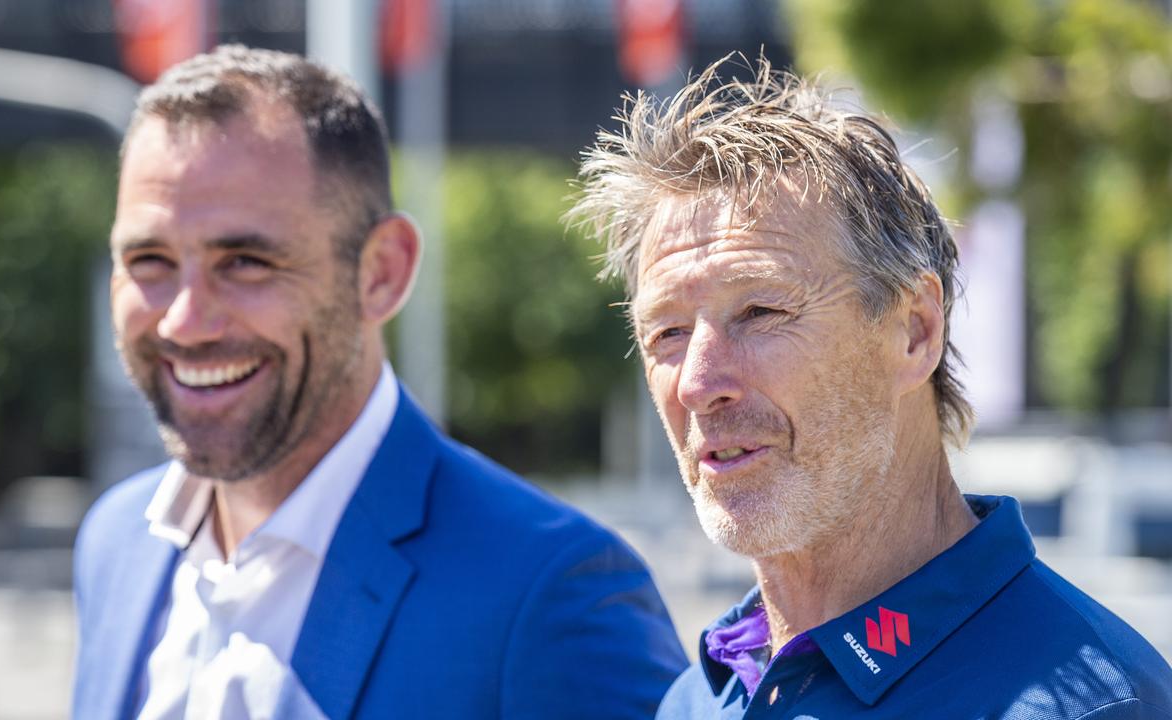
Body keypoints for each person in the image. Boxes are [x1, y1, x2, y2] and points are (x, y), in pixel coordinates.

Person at [73, 44, 687, 720]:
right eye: (150, 261)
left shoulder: (548, 597)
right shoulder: (116, 543)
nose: (185, 322)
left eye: (245, 261)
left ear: (382, 272)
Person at [568, 55, 1172, 719]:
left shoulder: (1097, 707)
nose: (699, 383)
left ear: (915, 331)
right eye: (667, 335)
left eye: (761, 312)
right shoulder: (698, 697)